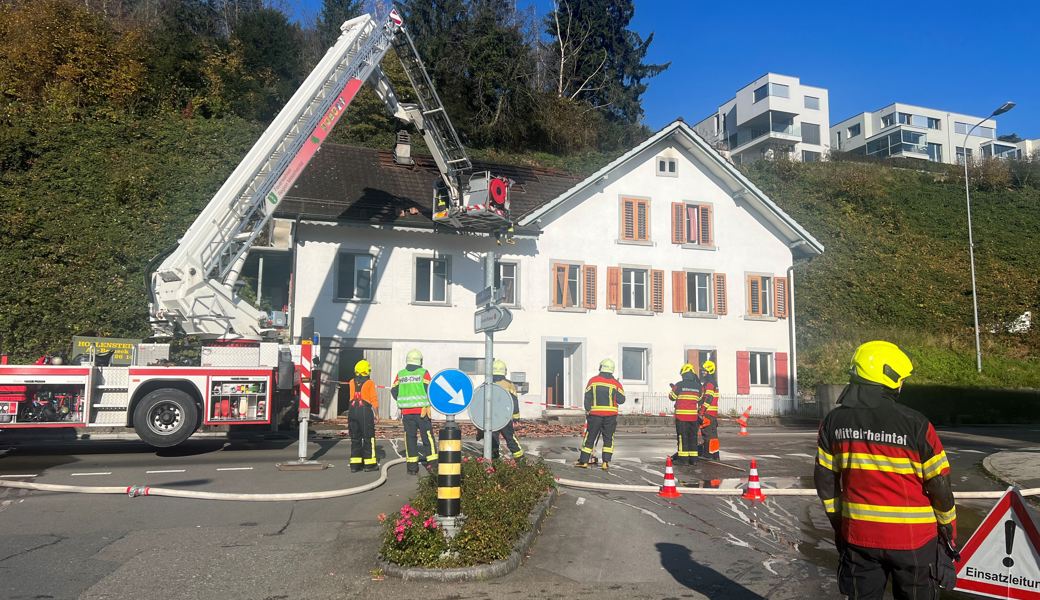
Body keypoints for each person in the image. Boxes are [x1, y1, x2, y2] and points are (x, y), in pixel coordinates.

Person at [815, 341, 957, 600]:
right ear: (889, 377)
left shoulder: (833, 422)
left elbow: (825, 481)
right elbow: (939, 484)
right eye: (901, 379)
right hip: (914, 540)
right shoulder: (916, 424)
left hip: (859, 536)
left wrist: (840, 523)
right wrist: (948, 528)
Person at [391, 349, 438, 475]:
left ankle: (412, 468)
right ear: (420, 361)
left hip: (406, 413)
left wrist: (402, 401)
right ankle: (433, 466)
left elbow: (394, 391)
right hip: (422, 412)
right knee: (427, 438)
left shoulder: (401, 374)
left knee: (410, 439)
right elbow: (430, 389)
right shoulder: (423, 373)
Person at [575, 358, 624, 470]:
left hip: (595, 415)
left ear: (601, 367)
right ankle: (605, 462)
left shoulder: (593, 381)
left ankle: (584, 461)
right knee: (608, 438)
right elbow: (621, 400)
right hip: (611, 416)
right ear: (612, 370)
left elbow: (587, 397)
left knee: (590, 437)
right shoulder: (616, 383)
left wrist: (588, 410)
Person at [344, 359, 379, 472]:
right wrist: (377, 414)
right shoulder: (370, 383)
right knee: (369, 438)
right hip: (364, 411)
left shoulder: (351, 382)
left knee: (355, 438)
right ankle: (370, 464)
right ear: (367, 371)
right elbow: (374, 400)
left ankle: (355, 465)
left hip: (352, 411)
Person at [489, 359, 524, 460]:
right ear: (504, 371)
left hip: (491, 417)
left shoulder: (487, 383)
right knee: (510, 438)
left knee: (492, 440)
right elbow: (514, 401)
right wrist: (516, 418)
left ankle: (494, 461)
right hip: (505, 417)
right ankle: (520, 460)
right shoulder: (509, 384)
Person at [668, 363, 701, 465]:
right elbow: (699, 398)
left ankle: (683, 460)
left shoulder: (679, 385)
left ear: (683, 374)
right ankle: (693, 460)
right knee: (693, 438)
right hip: (693, 418)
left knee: (682, 438)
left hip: (681, 418)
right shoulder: (698, 387)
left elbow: (672, 397)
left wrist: (673, 388)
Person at [698, 360, 720, 461]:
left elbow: (708, 398)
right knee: (713, 436)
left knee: (708, 435)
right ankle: (715, 455)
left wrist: (701, 412)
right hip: (712, 414)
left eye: (704, 370)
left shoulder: (709, 383)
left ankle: (708, 455)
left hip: (708, 414)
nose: (702, 372)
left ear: (709, 371)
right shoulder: (711, 382)